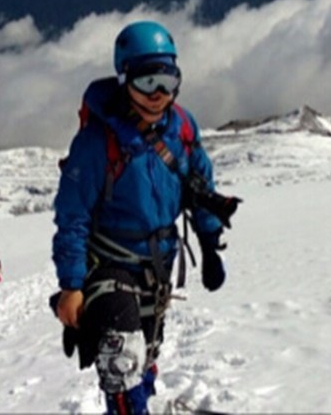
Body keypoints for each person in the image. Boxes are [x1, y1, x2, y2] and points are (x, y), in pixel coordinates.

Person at [52, 20, 233, 415]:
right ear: (124, 79)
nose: (159, 94)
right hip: (109, 263)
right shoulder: (98, 141)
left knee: (146, 352)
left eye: (167, 80)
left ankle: (139, 403)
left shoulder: (181, 128)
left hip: (159, 265)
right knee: (122, 358)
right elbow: (72, 215)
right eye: (146, 81)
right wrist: (71, 285)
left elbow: (198, 186)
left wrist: (210, 243)